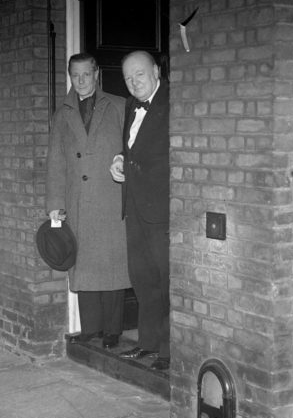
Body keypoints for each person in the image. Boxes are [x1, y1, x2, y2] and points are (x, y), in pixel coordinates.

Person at [46, 52, 130, 349]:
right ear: (70, 76)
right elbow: (56, 161)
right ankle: (91, 328)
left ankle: (113, 330)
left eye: (86, 74)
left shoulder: (119, 106)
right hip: (78, 201)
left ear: (97, 75)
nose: (81, 81)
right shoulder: (62, 114)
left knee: (112, 266)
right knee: (82, 265)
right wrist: (55, 204)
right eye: (75, 75)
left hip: (110, 199)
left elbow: (133, 151)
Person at [109, 51, 170, 371]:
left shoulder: (174, 103)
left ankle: (169, 352)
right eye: (128, 78)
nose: (134, 83)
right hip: (134, 206)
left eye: (140, 75)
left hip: (161, 208)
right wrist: (120, 159)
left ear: (156, 71)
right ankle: (147, 344)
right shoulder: (131, 105)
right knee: (143, 280)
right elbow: (131, 147)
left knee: (167, 280)